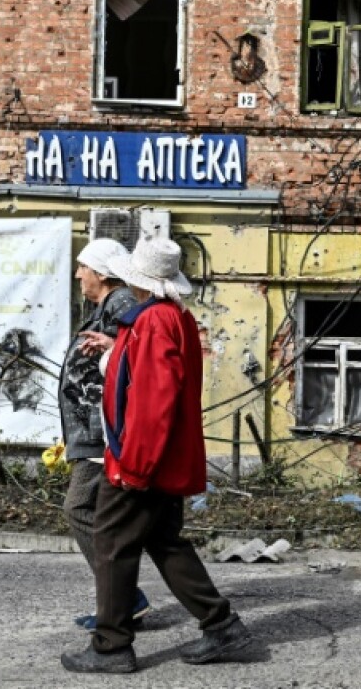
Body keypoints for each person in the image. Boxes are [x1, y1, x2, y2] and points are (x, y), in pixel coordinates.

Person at [61, 237, 255, 674]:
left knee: (110, 539)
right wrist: (113, 350)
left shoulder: (153, 322)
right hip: (162, 456)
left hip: (142, 458)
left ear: (137, 279)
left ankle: (111, 646)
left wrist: (134, 467)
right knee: (164, 541)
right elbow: (147, 375)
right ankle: (223, 627)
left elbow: (154, 400)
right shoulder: (172, 318)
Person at [58, 238, 150, 631]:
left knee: (78, 508)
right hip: (92, 431)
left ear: (100, 272)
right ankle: (122, 600)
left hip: (103, 434)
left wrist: (114, 345)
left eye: (83, 267)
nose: (78, 274)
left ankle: (124, 598)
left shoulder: (121, 304)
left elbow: (140, 353)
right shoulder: (107, 307)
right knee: (104, 517)